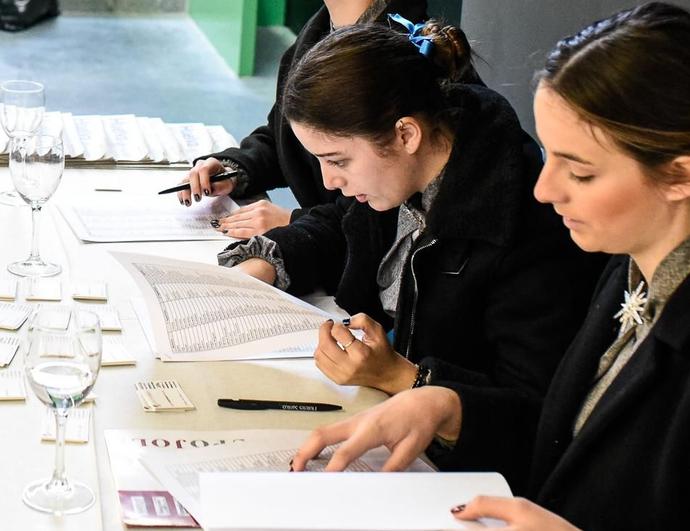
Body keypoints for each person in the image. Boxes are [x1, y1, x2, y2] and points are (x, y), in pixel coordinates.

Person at [292, 3, 690, 531]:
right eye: (551, 158)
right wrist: (448, 406)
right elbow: (563, 445)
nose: (544, 190)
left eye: (581, 171)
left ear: (680, 176)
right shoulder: (636, 265)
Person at [222, 21, 603, 398]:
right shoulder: (408, 170)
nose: (328, 181)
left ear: (406, 135)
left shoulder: (527, 229)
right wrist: (267, 263)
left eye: (338, 161)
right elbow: (343, 225)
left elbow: (526, 403)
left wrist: (402, 377)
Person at [178, 0, 447, 240]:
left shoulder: (406, 63)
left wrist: (295, 224)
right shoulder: (317, 38)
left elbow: (398, 209)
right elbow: (286, 134)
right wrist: (235, 168)